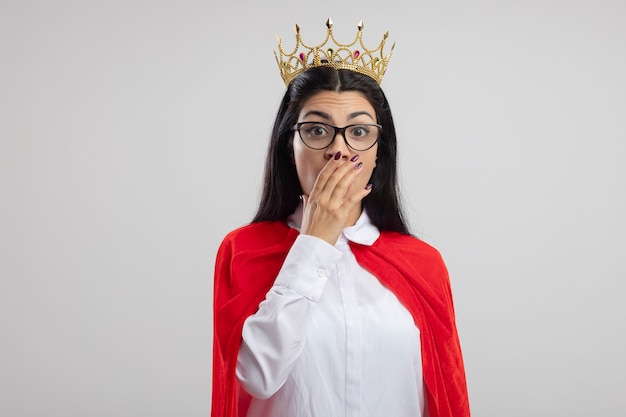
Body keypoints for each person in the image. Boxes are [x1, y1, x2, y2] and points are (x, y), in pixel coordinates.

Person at [212, 19, 470, 417]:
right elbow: (257, 376)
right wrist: (315, 241)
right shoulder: (244, 250)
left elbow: (443, 397)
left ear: (378, 150)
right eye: (317, 130)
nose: (339, 149)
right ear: (289, 146)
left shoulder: (423, 264)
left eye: (359, 132)